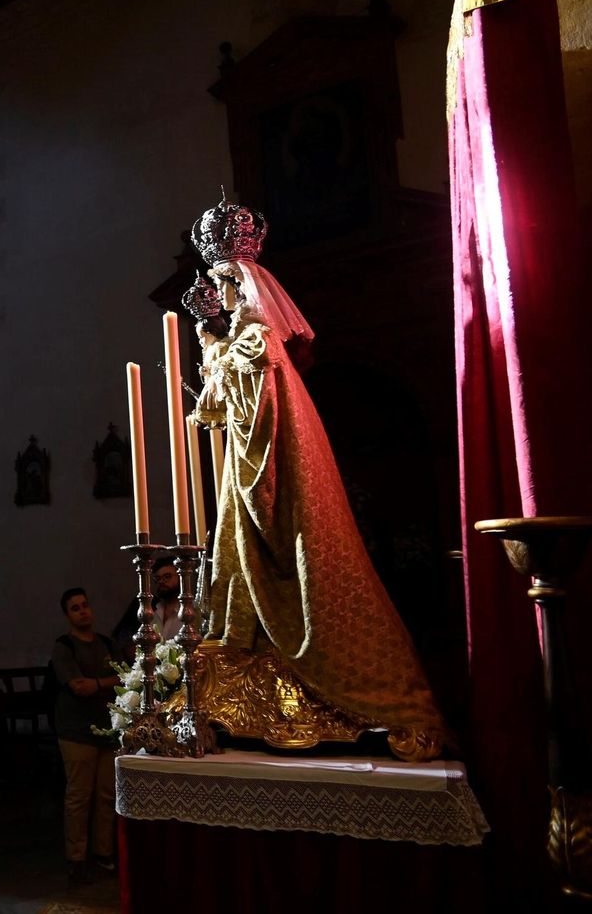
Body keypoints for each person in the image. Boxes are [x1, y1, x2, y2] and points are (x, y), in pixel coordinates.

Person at [189, 195, 448, 757]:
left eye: (227, 286)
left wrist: (217, 359)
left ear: (243, 283)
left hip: (267, 463)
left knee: (285, 550)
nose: (224, 296)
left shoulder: (257, 339)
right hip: (249, 461)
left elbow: (250, 406)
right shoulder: (247, 339)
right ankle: (245, 644)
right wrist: (215, 353)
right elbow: (226, 403)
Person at [51, 587, 122, 883]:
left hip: (106, 728)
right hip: (76, 730)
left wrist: (98, 682)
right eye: (75, 608)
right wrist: (102, 682)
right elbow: (78, 687)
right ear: (68, 615)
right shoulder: (64, 646)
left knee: (106, 794)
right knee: (79, 795)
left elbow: (124, 676)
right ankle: (76, 857)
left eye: (85, 605)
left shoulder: (106, 643)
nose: (83, 611)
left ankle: (103, 852)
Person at [109, 556, 182, 645]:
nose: (162, 582)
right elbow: (122, 637)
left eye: (167, 577)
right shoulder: (149, 607)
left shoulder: (192, 611)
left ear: (180, 577)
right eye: (158, 579)